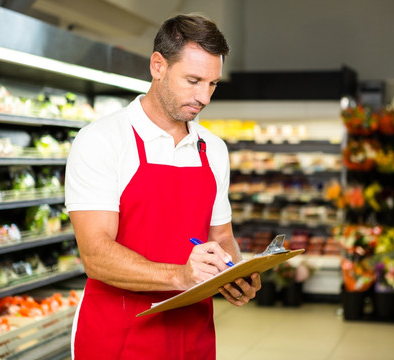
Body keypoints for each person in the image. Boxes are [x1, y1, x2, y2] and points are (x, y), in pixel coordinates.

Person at [65, 13, 261, 360]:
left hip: (193, 334)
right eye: (193, 80)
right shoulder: (102, 140)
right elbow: (95, 254)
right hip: (118, 336)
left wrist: (233, 271)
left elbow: (221, 236)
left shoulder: (213, 149)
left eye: (213, 84)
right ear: (158, 66)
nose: (204, 97)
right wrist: (181, 276)